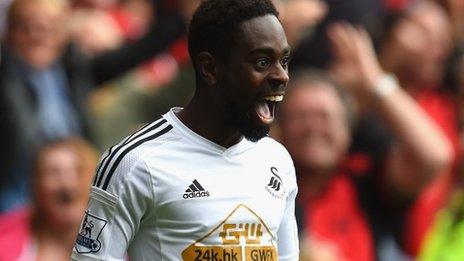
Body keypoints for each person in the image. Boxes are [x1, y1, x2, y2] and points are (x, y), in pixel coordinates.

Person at [71, 0, 299, 260]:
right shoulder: (134, 163)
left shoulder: (276, 160)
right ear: (209, 68)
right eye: (261, 62)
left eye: (284, 61)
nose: (282, 76)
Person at [277, 21, 452, 260]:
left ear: (347, 131)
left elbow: (435, 156)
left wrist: (374, 80)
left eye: (324, 117)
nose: (313, 128)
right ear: (280, 129)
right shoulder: (262, 187)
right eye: (301, 117)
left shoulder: (365, 183)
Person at [0, 0, 186, 212]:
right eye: (25, 27)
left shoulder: (72, 68)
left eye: (49, 27)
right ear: (9, 33)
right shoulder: (5, 77)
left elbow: (130, 55)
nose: (38, 35)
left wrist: (183, 20)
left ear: (64, 32)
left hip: (75, 191)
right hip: (16, 198)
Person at [0, 138, 98, 260]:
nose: (68, 184)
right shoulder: (3, 239)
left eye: (79, 171)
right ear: (35, 185)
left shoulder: (110, 243)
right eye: (53, 173)